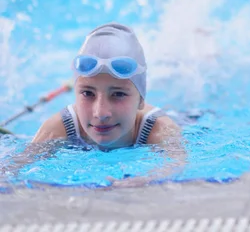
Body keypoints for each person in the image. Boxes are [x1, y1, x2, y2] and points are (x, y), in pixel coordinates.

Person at [4, 23, 183, 187]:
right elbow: (10, 170)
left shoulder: (159, 129)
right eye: (87, 93)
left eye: (118, 94)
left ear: (141, 100)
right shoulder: (60, 127)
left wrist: (146, 181)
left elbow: (176, 168)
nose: (100, 113)